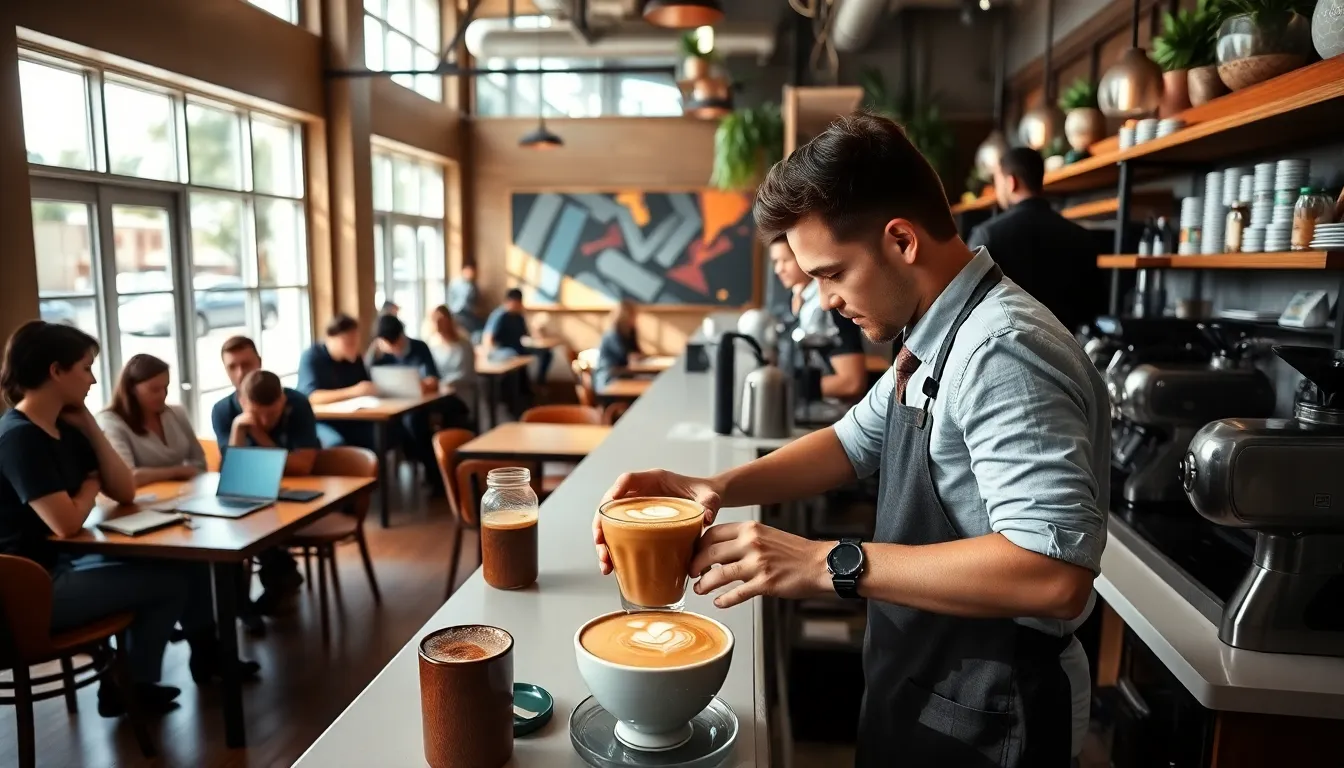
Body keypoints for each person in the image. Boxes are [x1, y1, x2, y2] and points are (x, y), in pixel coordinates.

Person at [594, 113, 1108, 766]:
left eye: (833, 273)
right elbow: (852, 441)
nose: (825, 298)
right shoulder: (931, 333)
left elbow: (1055, 574)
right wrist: (716, 488)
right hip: (927, 673)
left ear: (900, 240)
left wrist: (825, 562)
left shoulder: (1001, 350)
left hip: (995, 706)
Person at [0, 322, 191, 716]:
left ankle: (127, 682)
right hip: (26, 593)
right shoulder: (18, 437)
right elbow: (65, 522)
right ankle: (129, 686)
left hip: (60, 564)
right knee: (172, 581)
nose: (92, 378)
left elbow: (124, 490)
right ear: (56, 371)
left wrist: (88, 422)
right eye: (85, 368)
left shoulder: (62, 428)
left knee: (168, 564)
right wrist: (88, 487)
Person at [213, 335, 319, 615]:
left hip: (294, 498)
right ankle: (239, 606)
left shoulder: (296, 403)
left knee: (260, 527)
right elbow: (231, 476)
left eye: (246, 364)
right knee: (226, 532)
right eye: (231, 367)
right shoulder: (223, 410)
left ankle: (277, 578)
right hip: (248, 499)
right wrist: (239, 429)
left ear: (259, 362)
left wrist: (257, 434)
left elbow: (303, 466)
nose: (240, 372)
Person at [968, 147, 1104, 334]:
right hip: (1068, 351)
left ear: (1011, 182)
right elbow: (1091, 308)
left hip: (1008, 350)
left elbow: (969, 308)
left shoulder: (987, 235)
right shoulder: (1081, 236)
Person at [367, 314, 465, 492]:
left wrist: (422, 384)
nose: (391, 348)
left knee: (415, 423)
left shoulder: (419, 347)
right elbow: (368, 381)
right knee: (383, 427)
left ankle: (434, 475)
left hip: (419, 404)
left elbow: (433, 380)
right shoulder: (376, 353)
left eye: (394, 343)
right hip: (389, 406)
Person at [776, 236, 868, 403]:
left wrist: (788, 389)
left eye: (785, 260)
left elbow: (852, 382)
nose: (778, 269)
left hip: (829, 415)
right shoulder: (792, 299)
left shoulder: (831, 307)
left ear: (803, 257)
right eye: (775, 261)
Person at [97, 354, 206, 486]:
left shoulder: (177, 413)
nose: (163, 395)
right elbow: (128, 476)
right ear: (132, 389)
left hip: (184, 496)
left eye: (166, 387)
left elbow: (200, 464)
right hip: (141, 501)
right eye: (154, 389)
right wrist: (177, 472)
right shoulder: (110, 421)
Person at [297, 314, 377, 451]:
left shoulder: (354, 359)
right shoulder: (312, 357)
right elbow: (312, 397)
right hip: (318, 420)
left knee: (379, 436)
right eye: (348, 343)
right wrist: (354, 391)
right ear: (330, 339)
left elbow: (365, 388)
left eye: (356, 342)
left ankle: (373, 472)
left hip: (351, 419)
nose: (354, 347)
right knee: (336, 444)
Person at [483, 288, 553, 385]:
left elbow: (527, 335)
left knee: (546, 353)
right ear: (508, 301)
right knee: (512, 354)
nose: (518, 306)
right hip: (502, 350)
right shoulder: (499, 316)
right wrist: (489, 353)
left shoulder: (519, 316)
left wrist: (536, 328)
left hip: (517, 347)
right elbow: (488, 337)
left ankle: (540, 383)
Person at [426, 304, 477, 416]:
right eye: (435, 320)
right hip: (436, 393)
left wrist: (442, 384)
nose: (438, 324)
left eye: (441, 320)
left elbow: (466, 373)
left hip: (459, 393)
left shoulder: (463, 345)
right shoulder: (432, 345)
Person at [593, 300, 645, 392]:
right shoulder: (613, 334)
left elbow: (637, 353)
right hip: (609, 378)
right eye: (633, 316)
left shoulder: (630, 332)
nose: (635, 319)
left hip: (623, 374)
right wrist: (634, 357)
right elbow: (626, 356)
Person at [447, 264, 482, 336]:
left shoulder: (473, 286)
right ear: (464, 270)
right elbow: (450, 299)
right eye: (469, 271)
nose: (471, 274)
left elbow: (474, 302)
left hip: (469, 314)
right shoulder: (455, 283)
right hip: (457, 312)